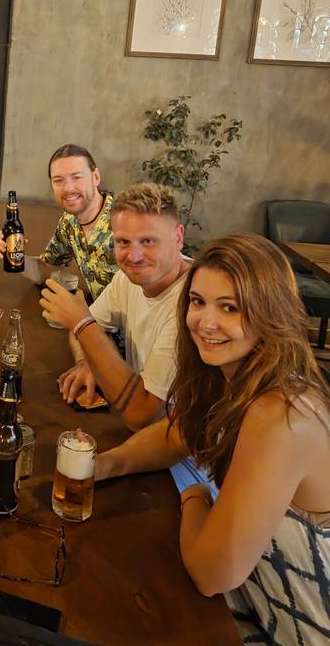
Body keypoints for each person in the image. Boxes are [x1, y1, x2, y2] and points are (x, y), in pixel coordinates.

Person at [94, 234, 330, 643]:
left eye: (230, 307)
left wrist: (195, 497)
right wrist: (106, 464)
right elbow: (178, 434)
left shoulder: (281, 413)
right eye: (198, 301)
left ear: (270, 313)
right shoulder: (233, 376)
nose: (205, 322)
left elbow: (211, 574)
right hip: (258, 594)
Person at [41, 183, 190, 430]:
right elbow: (89, 329)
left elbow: (143, 417)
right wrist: (88, 362)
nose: (134, 256)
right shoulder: (127, 280)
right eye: (123, 242)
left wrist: (81, 324)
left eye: (148, 241)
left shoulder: (194, 305)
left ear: (178, 237)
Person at [0, 144, 116, 300]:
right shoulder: (69, 221)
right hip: (96, 312)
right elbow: (46, 269)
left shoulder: (123, 221)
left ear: (95, 177)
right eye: (58, 180)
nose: (68, 188)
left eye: (77, 177)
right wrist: (15, 256)